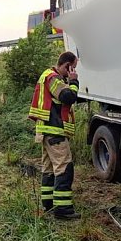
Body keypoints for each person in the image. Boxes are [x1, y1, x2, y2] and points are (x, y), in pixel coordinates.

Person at [28, 51, 80, 220]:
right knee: (65, 168)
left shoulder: (48, 76)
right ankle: (63, 210)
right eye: (72, 68)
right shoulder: (53, 78)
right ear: (67, 65)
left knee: (49, 170)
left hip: (47, 131)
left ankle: (49, 205)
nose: (72, 71)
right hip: (54, 131)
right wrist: (74, 81)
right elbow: (67, 97)